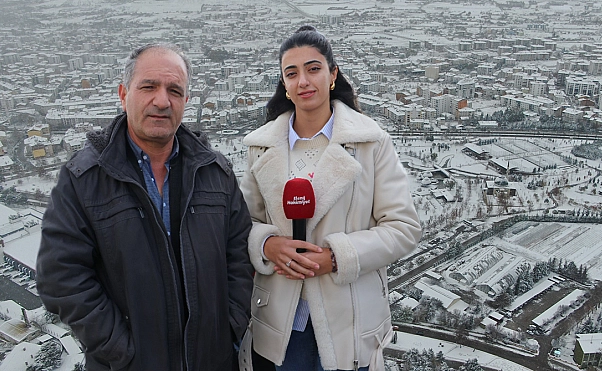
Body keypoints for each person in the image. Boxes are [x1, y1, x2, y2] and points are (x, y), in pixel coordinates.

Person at [36, 43, 254, 371]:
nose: (162, 100)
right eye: (149, 87)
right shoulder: (83, 180)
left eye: (174, 90)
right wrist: (123, 352)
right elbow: (60, 277)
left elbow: (239, 257)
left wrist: (228, 329)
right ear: (124, 94)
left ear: (186, 101)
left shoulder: (215, 172)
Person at [239, 26, 421, 371]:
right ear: (284, 85)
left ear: (333, 74)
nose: (303, 81)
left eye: (313, 69)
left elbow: (403, 227)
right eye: (291, 73)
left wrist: (336, 258)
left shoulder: (371, 142)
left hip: (349, 315)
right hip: (281, 317)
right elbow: (241, 223)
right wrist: (267, 245)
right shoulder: (261, 146)